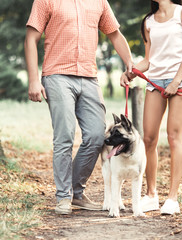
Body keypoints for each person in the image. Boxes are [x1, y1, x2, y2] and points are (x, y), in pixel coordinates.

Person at [24, 0, 133, 215]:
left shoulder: (99, 1)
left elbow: (115, 35)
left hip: (89, 76)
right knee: (64, 136)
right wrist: (33, 80)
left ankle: (76, 192)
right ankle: (64, 197)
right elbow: (30, 39)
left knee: (96, 136)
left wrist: (129, 63)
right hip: (57, 75)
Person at [120, 0, 182, 214]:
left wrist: (175, 81)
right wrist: (131, 72)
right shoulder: (148, 21)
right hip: (155, 82)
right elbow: (149, 60)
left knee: (174, 137)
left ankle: (172, 199)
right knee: (149, 139)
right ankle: (151, 195)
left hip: (179, 82)